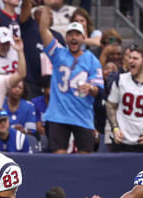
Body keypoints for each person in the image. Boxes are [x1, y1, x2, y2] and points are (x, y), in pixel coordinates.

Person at [39, 12, 102, 153]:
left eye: (77, 34)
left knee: (85, 161)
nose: (74, 37)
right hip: (58, 115)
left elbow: (98, 89)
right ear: (66, 38)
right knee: (58, 160)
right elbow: (43, 29)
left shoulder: (92, 60)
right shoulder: (58, 53)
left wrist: (90, 88)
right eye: (70, 34)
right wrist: (47, 7)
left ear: (83, 37)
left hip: (82, 116)